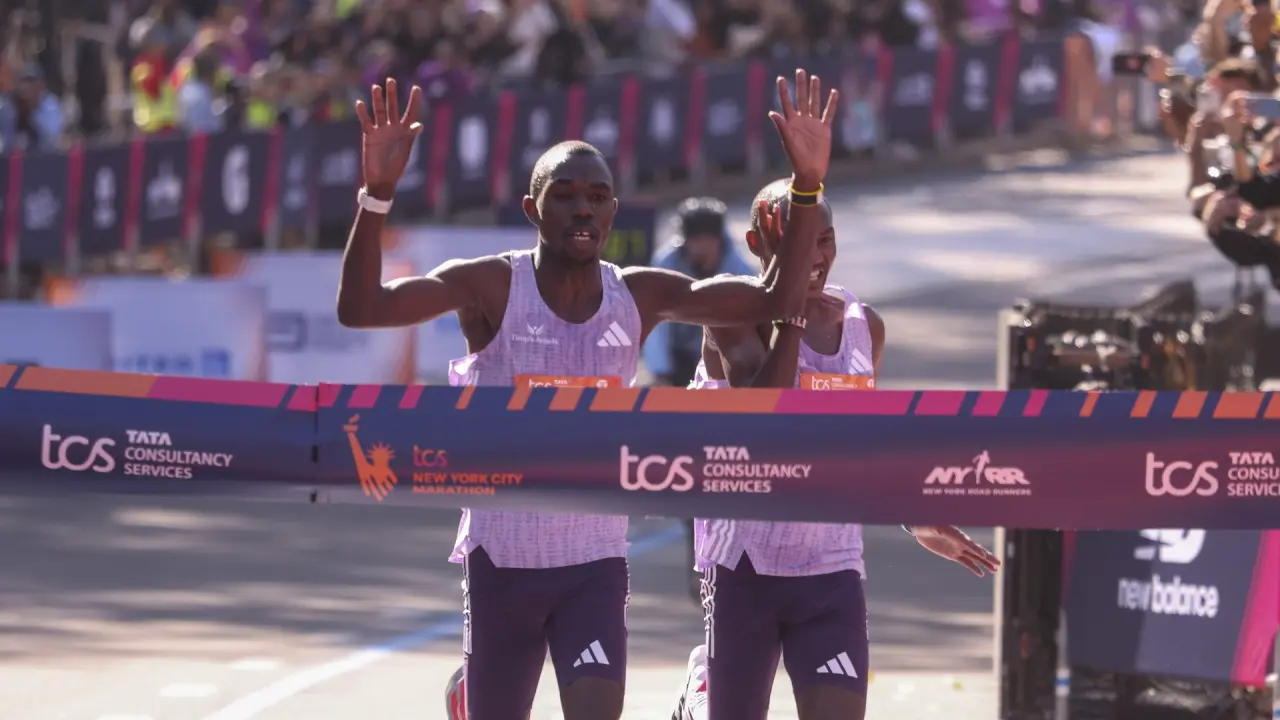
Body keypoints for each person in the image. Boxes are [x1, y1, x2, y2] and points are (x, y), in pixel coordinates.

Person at [338, 70, 839, 720]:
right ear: (532, 209)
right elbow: (363, 309)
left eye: (598, 197)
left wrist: (806, 186)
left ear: (613, 212)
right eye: (566, 196)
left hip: (594, 563)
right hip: (502, 559)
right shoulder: (490, 287)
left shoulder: (640, 295)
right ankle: (470, 689)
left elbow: (776, 299)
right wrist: (377, 195)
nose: (583, 209)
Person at [669, 178, 1002, 720]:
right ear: (756, 245)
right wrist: (791, 310)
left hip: (831, 566)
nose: (815, 256)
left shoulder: (863, 326)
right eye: (798, 242)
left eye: (824, 240)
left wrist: (914, 514)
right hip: (743, 565)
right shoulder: (731, 310)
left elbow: (863, 444)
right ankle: (703, 686)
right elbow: (768, 412)